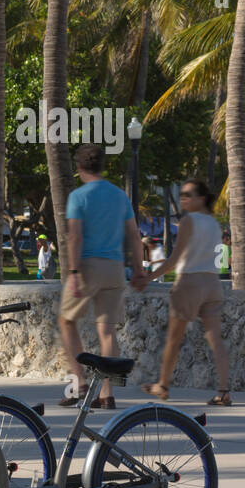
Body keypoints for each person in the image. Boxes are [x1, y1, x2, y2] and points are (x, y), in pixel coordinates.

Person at [57, 145, 146, 410]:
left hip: (87, 267)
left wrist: (73, 273)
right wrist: (138, 269)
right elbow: (134, 234)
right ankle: (107, 394)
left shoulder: (78, 196)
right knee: (106, 332)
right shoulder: (119, 196)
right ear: (102, 166)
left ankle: (80, 383)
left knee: (66, 320)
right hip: (115, 267)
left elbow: (75, 236)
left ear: (79, 168)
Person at [141, 179, 231, 406]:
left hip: (190, 283)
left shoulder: (188, 221)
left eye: (188, 195)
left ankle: (162, 385)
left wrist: (148, 277)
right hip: (212, 284)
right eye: (182, 194)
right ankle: (224, 391)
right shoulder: (213, 223)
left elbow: (174, 258)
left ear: (201, 198)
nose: (183, 198)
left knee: (174, 339)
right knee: (216, 341)